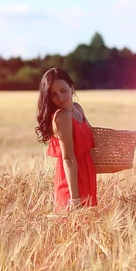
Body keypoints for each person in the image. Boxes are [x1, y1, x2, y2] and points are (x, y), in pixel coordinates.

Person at [35, 67, 97, 210]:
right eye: (53, 95)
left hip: (87, 175)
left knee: (89, 228)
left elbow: (91, 136)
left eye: (63, 91)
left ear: (72, 87)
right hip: (72, 182)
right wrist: (74, 198)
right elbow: (68, 158)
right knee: (74, 227)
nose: (60, 98)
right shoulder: (62, 117)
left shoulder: (77, 109)